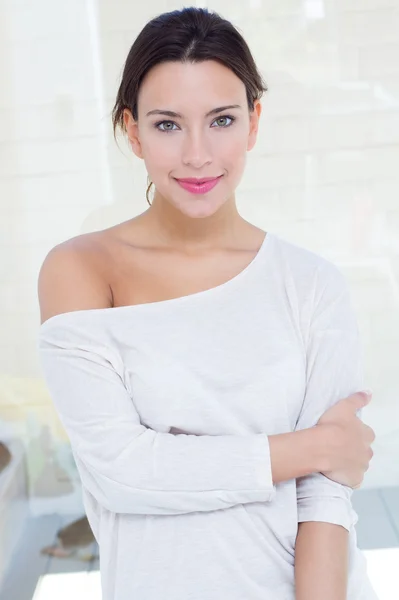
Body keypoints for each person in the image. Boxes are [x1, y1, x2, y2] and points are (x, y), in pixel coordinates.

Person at [37, 7, 377, 600]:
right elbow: (121, 472)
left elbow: (324, 496)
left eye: (221, 120)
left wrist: (313, 463)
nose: (198, 154)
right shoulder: (83, 270)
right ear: (133, 131)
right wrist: (311, 448)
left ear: (253, 123)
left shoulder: (312, 285)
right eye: (168, 125)